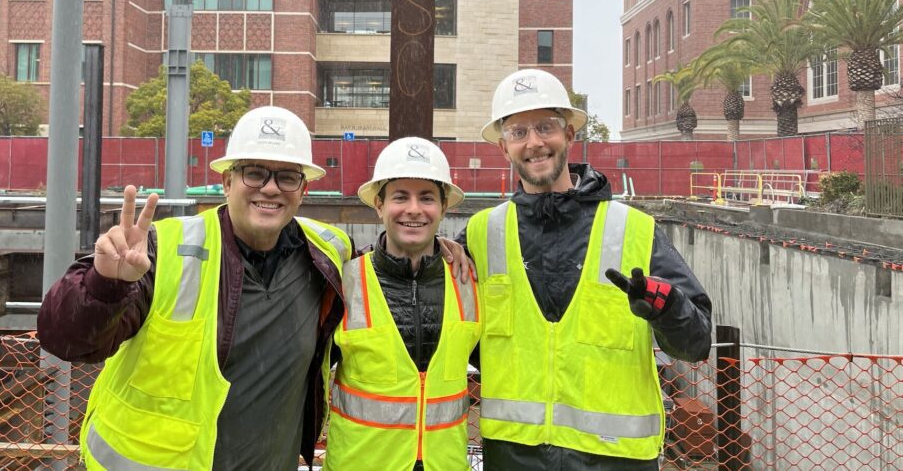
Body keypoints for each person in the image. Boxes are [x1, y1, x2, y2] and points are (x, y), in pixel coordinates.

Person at [38, 106, 353, 471]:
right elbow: (66, 339)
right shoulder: (162, 250)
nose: (269, 187)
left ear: (303, 190)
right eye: (254, 173)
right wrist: (105, 285)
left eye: (287, 177)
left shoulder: (328, 253)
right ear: (227, 182)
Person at [460, 69, 713, 470]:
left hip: (615, 460)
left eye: (546, 127)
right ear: (504, 147)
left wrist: (669, 310)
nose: (534, 143)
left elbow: (696, 345)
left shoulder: (633, 231)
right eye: (518, 132)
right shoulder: (479, 235)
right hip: (513, 457)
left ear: (570, 136)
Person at [325, 137, 481, 471]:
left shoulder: (468, 283)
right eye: (400, 197)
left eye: (426, 198)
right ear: (379, 205)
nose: (413, 209)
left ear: (443, 208)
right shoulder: (344, 283)